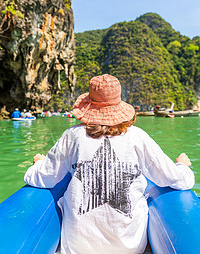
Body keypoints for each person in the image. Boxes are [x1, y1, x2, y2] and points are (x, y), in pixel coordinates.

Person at [24, 74, 194, 254]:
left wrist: (38, 164)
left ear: (89, 106)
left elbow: (44, 178)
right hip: (129, 245)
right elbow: (174, 179)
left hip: (77, 245)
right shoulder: (137, 136)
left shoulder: (72, 136)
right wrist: (182, 166)